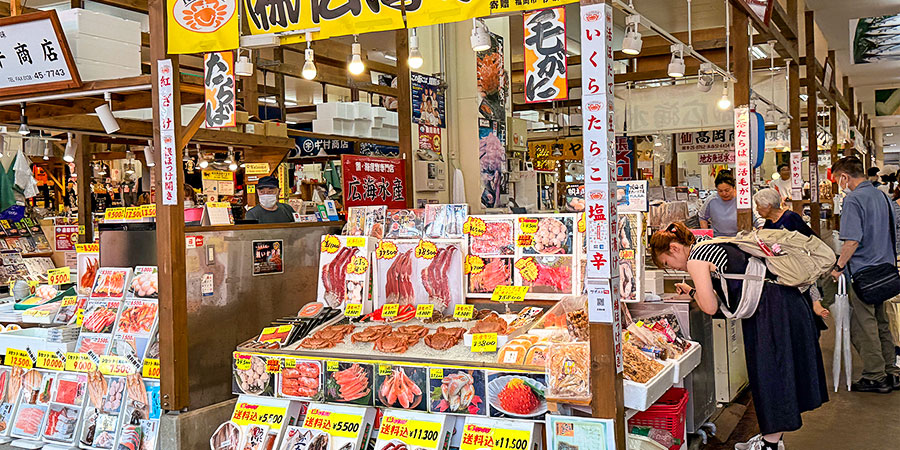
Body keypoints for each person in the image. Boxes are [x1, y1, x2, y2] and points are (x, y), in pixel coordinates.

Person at [650, 222, 828, 450]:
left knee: (770, 374)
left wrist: (694, 292)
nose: (675, 269)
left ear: (674, 248)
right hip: (785, 303)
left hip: (771, 312)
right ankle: (771, 438)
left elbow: (710, 306)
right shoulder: (710, 243)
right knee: (776, 371)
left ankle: (770, 445)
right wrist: (694, 291)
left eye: (668, 263)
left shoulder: (696, 258)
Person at [830, 156, 900, 393]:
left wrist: (839, 266)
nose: (839, 185)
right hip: (885, 270)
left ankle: (875, 375)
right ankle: (892, 371)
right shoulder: (882, 196)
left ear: (844, 177)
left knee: (864, 324)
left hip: (863, 272)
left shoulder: (853, 200)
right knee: (882, 322)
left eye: (837, 180)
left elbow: (851, 241)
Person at [754, 188, 830, 322]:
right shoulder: (769, 221)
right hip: (780, 269)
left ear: (768, 206)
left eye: (758, 206)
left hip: (796, 266)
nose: (757, 209)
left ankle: (815, 303)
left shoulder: (790, 218)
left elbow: (810, 238)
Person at [700, 170, 738, 236]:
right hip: (717, 237)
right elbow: (702, 217)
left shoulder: (742, 199)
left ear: (733, 188)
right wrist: (706, 235)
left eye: (727, 190)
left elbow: (755, 219)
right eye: (720, 191)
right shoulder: (712, 200)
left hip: (739, 237)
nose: (724, 193)